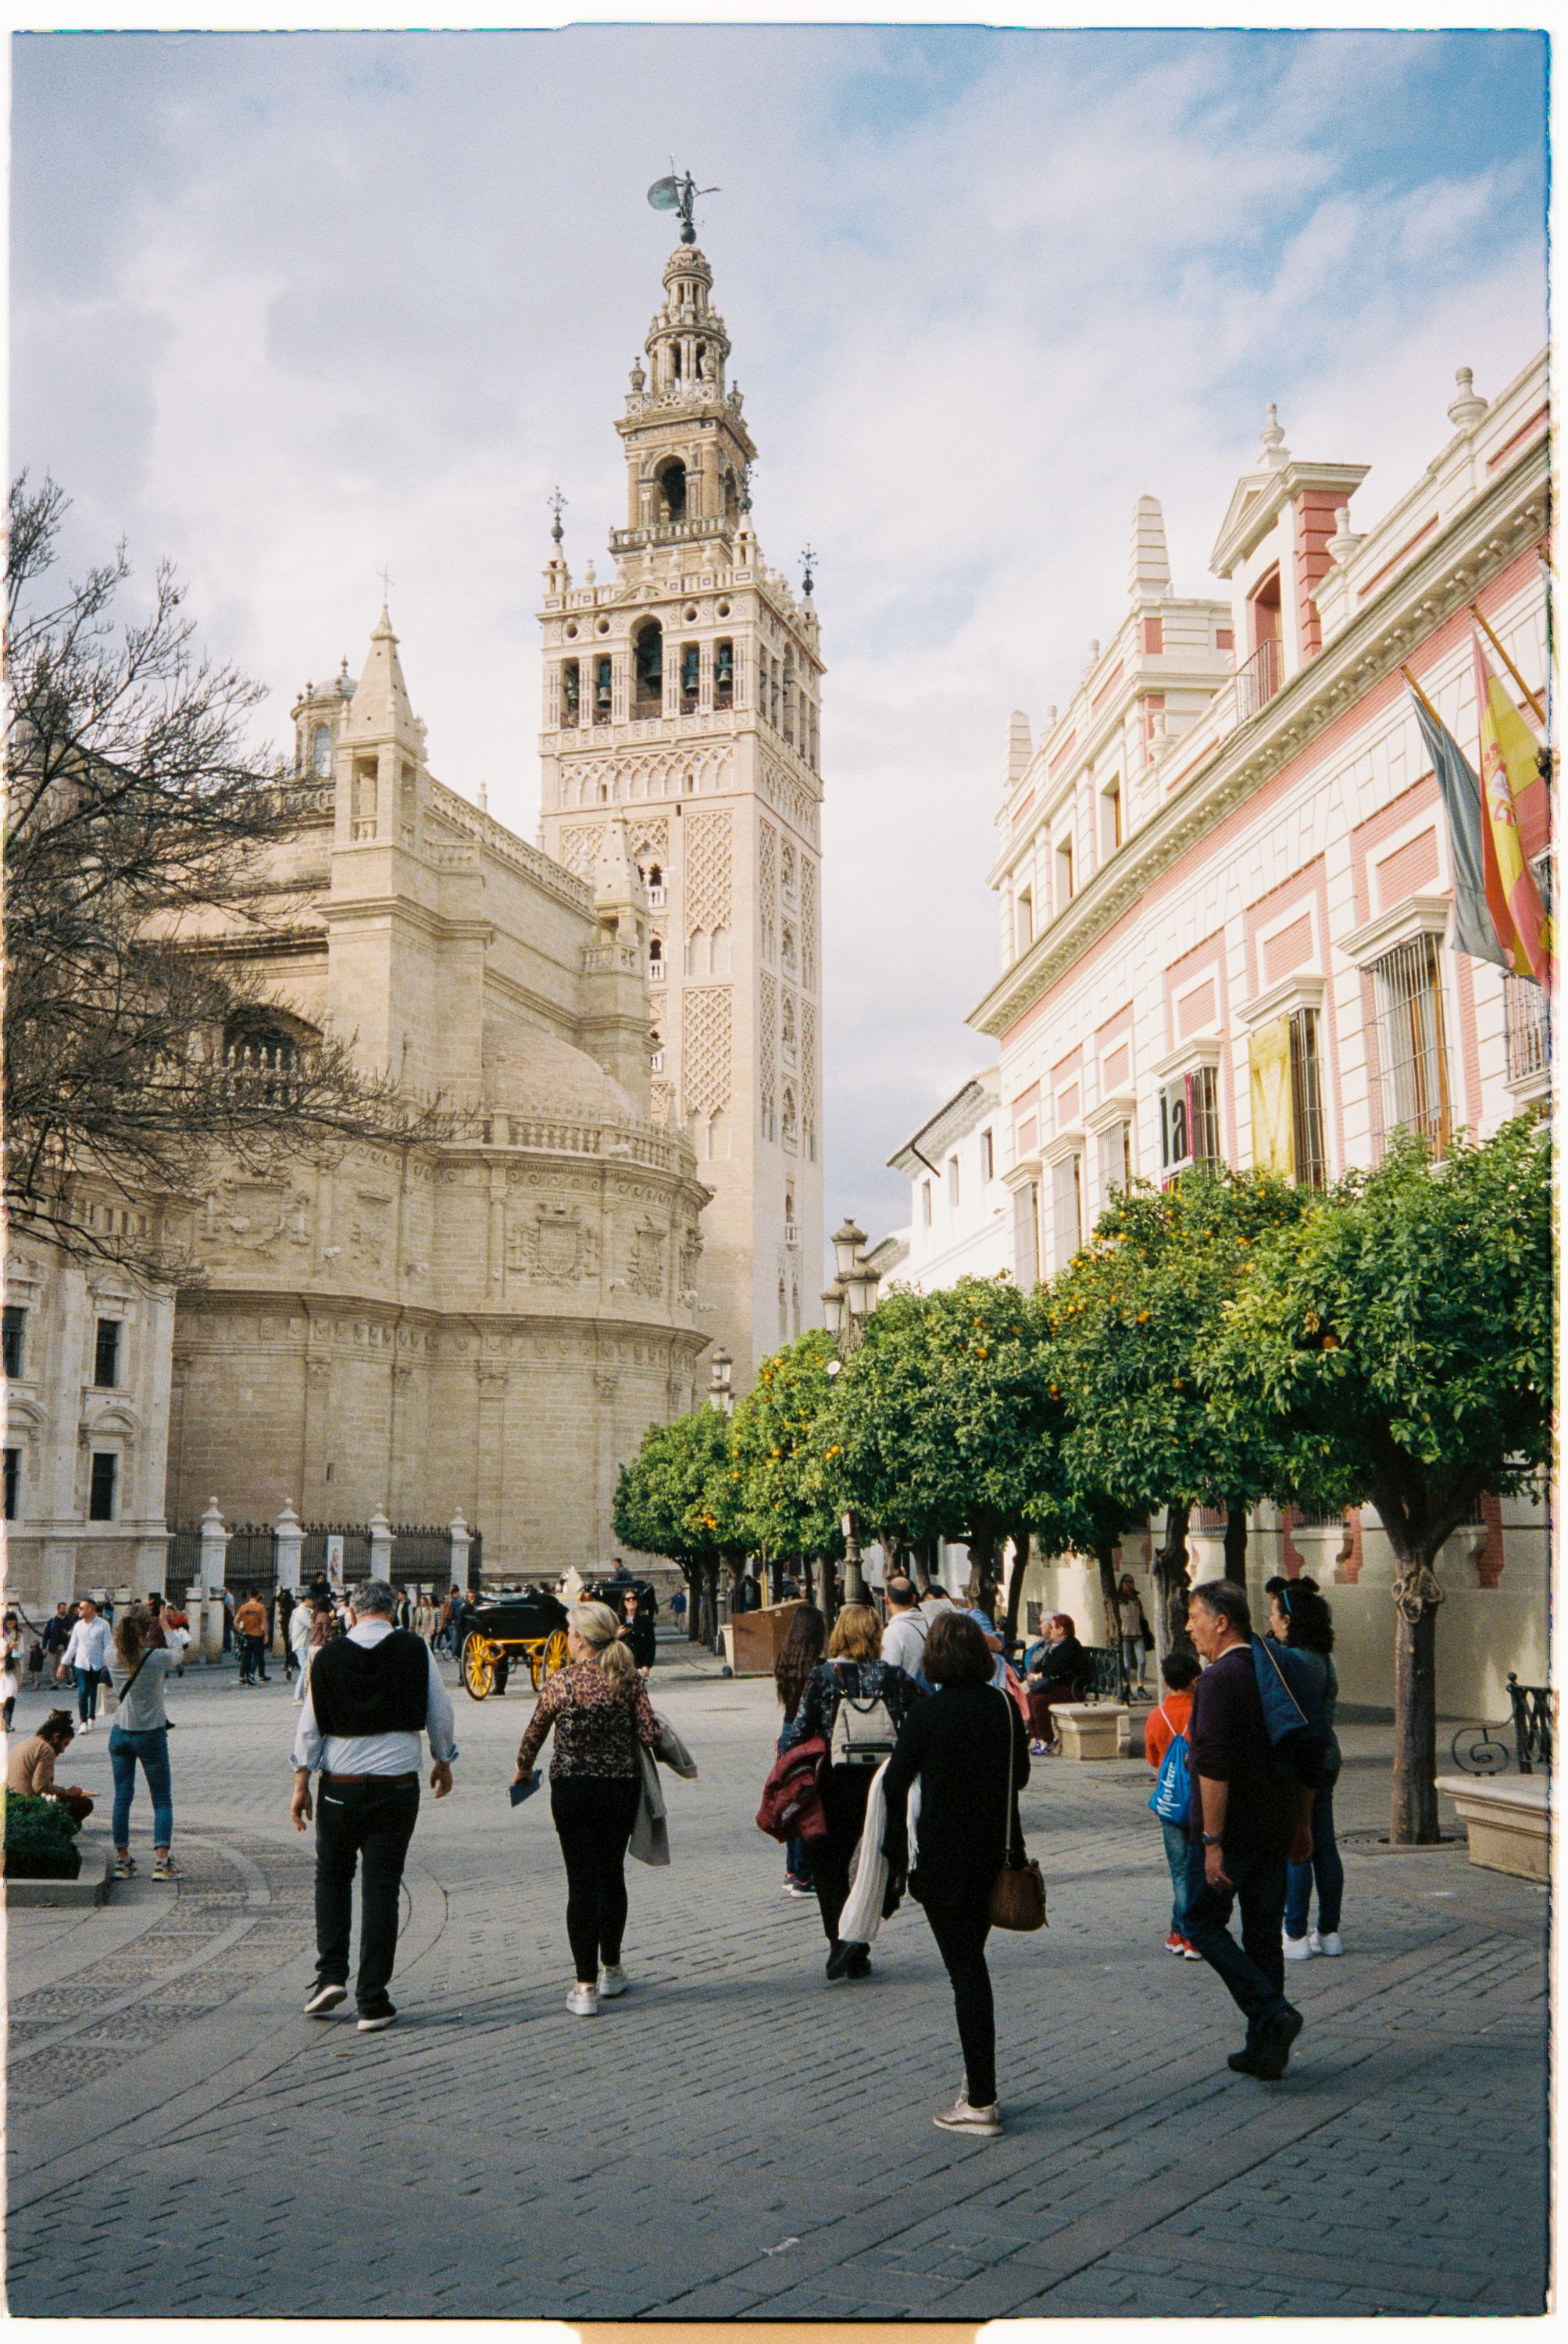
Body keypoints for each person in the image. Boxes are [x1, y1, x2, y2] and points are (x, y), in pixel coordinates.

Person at [880, 1610, 1030, 2137]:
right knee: (971, 1964)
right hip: (994, 1856)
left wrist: (891, 1856)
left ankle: (981, 2100)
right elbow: (1022, 1776)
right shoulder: (1003, 1707)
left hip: (943, 1864)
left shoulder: (926, 1714)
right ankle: (976, 2084)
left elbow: (893, 1782)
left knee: (966, 1972)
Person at [291, 1578, 457, 2031]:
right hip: (397, 1786)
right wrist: (443, 1759)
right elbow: (439, 1712)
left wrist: (301, 1782)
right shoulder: (415, 1650)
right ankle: (373, 2000)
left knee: (332, 1875)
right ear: (391, 1610)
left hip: (339, 1785)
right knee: (382, 1886)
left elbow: (310, 1725)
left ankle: (329, 1974)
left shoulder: (327, 1658)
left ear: (352, 1612)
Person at [1182, 1579, 1313, 2082]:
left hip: (1232, 1833)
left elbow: (1213, 1766)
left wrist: (1212, 1844)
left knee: (1200, 1924)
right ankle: (1265, 2050)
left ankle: (1270, 2012)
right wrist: (1301, 1823)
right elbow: (1309, 1753)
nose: (1188, 1626)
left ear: (1222, 1622)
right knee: (1263, 1934)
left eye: (1195, 1615)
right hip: (1276, 1826)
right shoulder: (1281, 1666)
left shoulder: (1219, 1680)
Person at [513, 1599, 662, 2017]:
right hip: (619, 1788)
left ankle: (584, 1987)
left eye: (570, 1632)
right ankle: (612, 1967)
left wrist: (523, 1770)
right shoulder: (628, 1679)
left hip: (573, 1790)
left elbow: (533, 1735)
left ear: (579, 1640)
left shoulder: (563, 1682)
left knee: (580, 1882)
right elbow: (650, 1734)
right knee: (611, 1874)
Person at [784, 1604, 923, 1978]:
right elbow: (923, 1711)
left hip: (836, 1781)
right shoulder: (894, 1676)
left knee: (828, 1862)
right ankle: (859, 1944)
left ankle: (842, 1943)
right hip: (884, 1780)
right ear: (875, 1634)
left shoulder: (823, 1676)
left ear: (841, 1633)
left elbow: (798, 1732)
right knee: (874, 1859)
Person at [1268, 1581, 1345, 1960]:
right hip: (1328, 1753)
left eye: (1274, 1613)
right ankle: (1329, 1932)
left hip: (1301, 1758)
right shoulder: (1325, 1658)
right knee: (1325, 1846)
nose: (1270, 1620)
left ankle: (1295, 1934)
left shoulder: (1293, 1659)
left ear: (1288, 1619)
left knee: (1298, 1844)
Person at [107, 1604, 182, 1880]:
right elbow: (179, 1653)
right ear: (145, 1629)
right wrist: (165, 1626)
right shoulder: (155, 1657)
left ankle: (122, 1859)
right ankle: (162, 1863)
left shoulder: (110, 1655)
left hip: (120, 1732)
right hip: (150, 1733)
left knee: (122, 1798)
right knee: (161, 1799)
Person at [1145, 1649, 1202, 1956]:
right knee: (1199, 1869)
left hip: (1170, 1802)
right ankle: (1190, 1934)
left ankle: (1180, 1932)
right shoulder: (1203, 1711)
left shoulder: (1157, 1716)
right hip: (1202, 1800)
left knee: (1179, 1871)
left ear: (1166, 1682)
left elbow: (1154, 1757)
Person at [773, 1603, 827, 1897]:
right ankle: (805, 1877)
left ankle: (791, 1869)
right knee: (807, 1801)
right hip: (808, 1734)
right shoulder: (817, 1667)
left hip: (786, 1728)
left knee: (790, 1799)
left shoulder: (785, 1660)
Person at [1021, 1613, 1087, 1753]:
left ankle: (1047, 1739)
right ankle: (1037, 1738)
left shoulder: (1070, 1645)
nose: (1049, 1630)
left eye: (1052, 1627)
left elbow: (1055, 1669)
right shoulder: (1055, 1645)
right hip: (1056, 1686)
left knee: (1039, 1701)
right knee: (1028, 1698)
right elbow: (1045, 1667)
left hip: (1071, 1688)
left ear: (1061, 1630)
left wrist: (1040, 1676)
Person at [57, 1598, 113, 1731]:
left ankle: (91, 1717)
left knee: (93, 1690)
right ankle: (83, 1722)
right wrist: (63, 1664)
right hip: (81, 1663)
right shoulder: (78, 1626)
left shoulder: (103, 1625)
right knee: (83, 1691)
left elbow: (108, 1647)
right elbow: (72, 1647)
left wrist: (108, 1665)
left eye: (82, 1608)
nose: (78, 1610)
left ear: (91, 1609)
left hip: (97, 1664)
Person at [879, 1578, 930, 1687]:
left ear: (887, 1599)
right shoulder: (931, 1624)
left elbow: (889, 1675)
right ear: (914, 1599)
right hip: (931, 1696)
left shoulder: (892, 1633)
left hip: (908, 1700)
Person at [1116, 1573, 1152, 1695]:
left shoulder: (1136, 1599)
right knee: (1126, 1663)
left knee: (1141, 1661)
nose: (1129, 1584)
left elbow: (1142, 1617)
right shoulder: (1118, 1600)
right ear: (1122, 1583)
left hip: (1138, 1633)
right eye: (1127, 1582)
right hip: (1125, 1634)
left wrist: (1148, 1631)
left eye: (1131, 1582)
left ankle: (1140, 1687)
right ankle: (1127, 1687)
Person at [234, 1592, 270, 1686]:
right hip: (258, 1634)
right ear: (258, 1596)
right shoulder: (261, 1607)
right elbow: (264, 1622)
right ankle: (251, 1674)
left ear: (250, 1596)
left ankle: (245, 1676)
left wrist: (240, 1632)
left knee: (248, 1656)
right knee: (257, 1656)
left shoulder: (243, 1607)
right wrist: (266, 1635)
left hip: (247, 1634)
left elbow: (235, 1621)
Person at [617, 1592, 656, 1674]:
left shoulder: (645, 1620)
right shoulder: (617, 1620)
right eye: (628, 1599)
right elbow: (608, 1641)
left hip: (638, 1663)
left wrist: (647, 1665)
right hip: (621, 1664)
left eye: (634, 1598)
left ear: (637, 1601)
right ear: (624, 1602)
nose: (631, 1601)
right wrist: (618, 1635)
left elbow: (651, 1644)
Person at [288, 1596, 316, 1703]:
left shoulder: (305, 1611)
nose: (313, 1603)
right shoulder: (302, 1612)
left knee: (305, 1669)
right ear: (307, 1600)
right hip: (301, 1644)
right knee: (305, 1669)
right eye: (313, 1600)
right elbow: (311, 1625)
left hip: (303, 1644)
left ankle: (301, 1696)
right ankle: (297, 1697)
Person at [41, 1601, 72, 1677]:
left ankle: (67, 1680)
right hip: (54, 1646)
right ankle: (55, 1682)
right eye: (62, 1608)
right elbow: (46, 1634)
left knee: (65, 1663)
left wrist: (67, 1633)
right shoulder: (52, 1621)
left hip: (65, 1646)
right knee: (53, 1665)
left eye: (65, 1608)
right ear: (58, 1609)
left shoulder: (69, 1620)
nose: (64, 1610)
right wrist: (44, 1647)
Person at [2, 1614, 21, 1731]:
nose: (11, 1626)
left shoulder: (18, 1634)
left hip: (12, 1668)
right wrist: (9, 1647)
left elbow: (21, 1651)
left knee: (12, 1694)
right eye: (9, 1623)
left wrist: (16, 1649)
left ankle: (8, 1721)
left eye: (13, 1623)